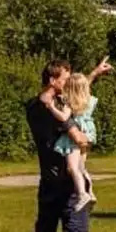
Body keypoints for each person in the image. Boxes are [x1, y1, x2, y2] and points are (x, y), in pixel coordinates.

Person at [18, 56, 112, 232]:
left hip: (50, 182)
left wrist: (92, 75)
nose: (69, 81)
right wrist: (80, 135)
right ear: (53, 80)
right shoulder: (47, 109)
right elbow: (78, 136)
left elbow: (76, 95)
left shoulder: (37, 105)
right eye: (65, 78)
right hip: (66, 184)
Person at [43, 71, 100, 212]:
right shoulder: (89, 100)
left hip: (75, 136)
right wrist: (94, 74)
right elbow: (82, 86)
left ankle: (82, 194)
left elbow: (63, 117)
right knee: (82, 166)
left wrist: (51, 107)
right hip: (88, 133)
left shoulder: (70, 102)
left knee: (73, 167)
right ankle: (90, 192)